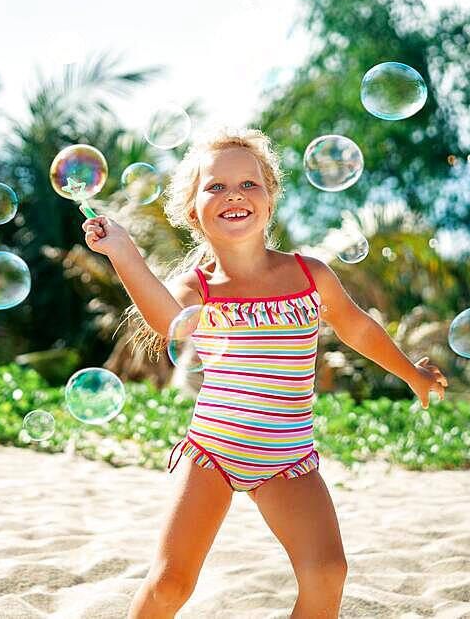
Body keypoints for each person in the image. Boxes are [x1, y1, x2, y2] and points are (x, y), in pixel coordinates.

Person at [81, 126, 448, 619]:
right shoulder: (198, 288)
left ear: (270, 200)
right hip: (212, 451)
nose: (234, 195)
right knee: (170, 584)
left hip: (288, 457)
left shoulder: (309, 274)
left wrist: (411, 373)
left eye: (248, 184)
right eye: (215, 187)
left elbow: (357, 329)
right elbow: (168, 322)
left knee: (328, 574)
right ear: (193, 210)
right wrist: (122, 252)